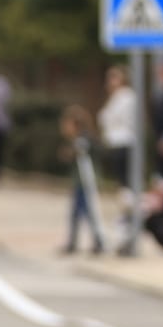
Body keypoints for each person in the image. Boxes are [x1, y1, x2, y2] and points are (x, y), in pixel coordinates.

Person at [58, 104, 105, 256]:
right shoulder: (80, 139)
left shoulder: (84, 140)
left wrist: (71, 152)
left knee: (89, 212)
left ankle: (98, 241)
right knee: (77, 214)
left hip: (87, 183)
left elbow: (80, 153)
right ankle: (74, 242)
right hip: (81, 183)